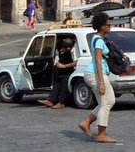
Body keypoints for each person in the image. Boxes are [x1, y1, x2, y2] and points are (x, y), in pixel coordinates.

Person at [79, 12, 116, 143]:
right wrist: (101, 82)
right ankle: (101, 134)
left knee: (109, 101)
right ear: (101, 26)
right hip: (95, 74)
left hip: (96, 73)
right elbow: (98, 62)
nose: (110, 26)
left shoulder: (96, 38)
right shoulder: (99, 41)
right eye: (108, 24)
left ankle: (86, 122)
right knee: (105, 103)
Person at [39, 38, 77, 109]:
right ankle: (50, 100)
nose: (68, 48)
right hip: (61, 71)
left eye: (69, 47)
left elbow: (76, 62)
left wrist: (64, 66)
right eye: (66, 47)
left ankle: (61, 103)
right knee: (56, 85)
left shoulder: (74, 50)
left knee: (64, 87)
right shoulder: (61, 49)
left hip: (70, 71)